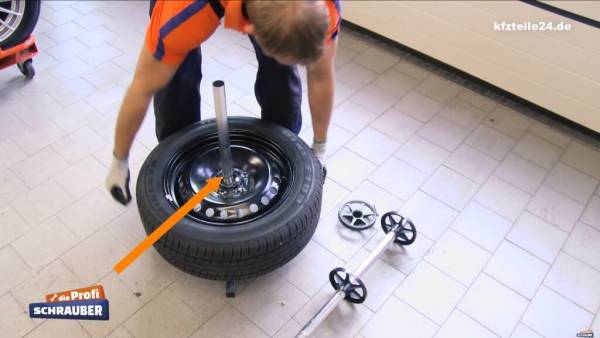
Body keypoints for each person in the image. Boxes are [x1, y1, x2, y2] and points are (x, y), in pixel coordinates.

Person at [106, 0, 340, 205]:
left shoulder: (320, 8)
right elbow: (142, 87)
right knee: (175, 79)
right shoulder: (181, 14)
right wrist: (120, 160)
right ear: (250, 28)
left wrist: (319, 148)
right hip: (189, 10)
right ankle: (179, 170)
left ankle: (283, 157)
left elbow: (321, 76)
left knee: (281, 68)